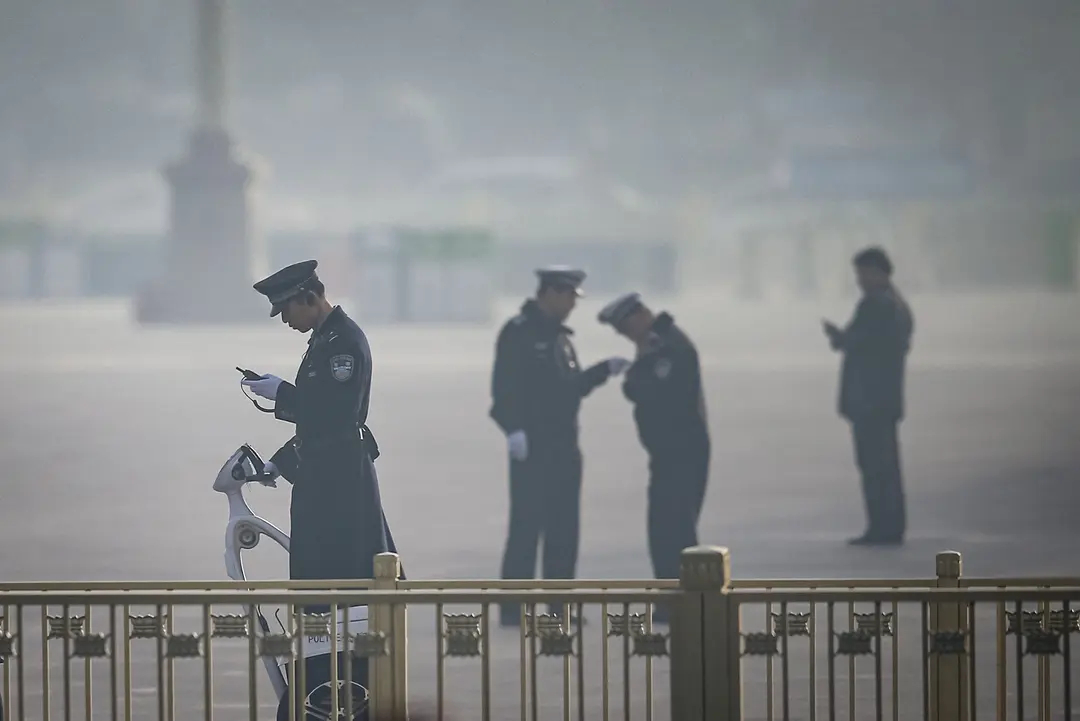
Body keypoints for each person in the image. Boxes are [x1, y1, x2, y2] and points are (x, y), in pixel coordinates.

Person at [240, 259, 400, 721]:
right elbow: (320, 428)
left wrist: (282, 394)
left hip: (341, 496)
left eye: (287, 309)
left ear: (309, 296)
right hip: (323, 485)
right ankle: (320, 685)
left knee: (343, 595)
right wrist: (279, 462)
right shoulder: (323, 341)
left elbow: (335, 418)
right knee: (317, 596)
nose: (286, 319)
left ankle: (341, 690)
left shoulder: (343, 342)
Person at [489, 266, 631, 626]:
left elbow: (568, 389)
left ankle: (559, 605)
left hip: (565, 447)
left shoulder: (560, 338)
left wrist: (601, 371)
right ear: (550, 292)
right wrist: (513, 429)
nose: (572, 304)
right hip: (532, 447)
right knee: (526, 528)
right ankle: (513, 607)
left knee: (564, 528)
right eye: (568, 296)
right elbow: (503, 388)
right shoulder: (518, 333)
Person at [599, 293, 710, 621]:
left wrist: (635, 372)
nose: (624, 335)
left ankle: (684, 603)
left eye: (624, 326)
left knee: (674, 530)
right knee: (664, 529)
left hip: (680, 451)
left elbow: (643, 388)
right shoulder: (656, 343)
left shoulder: (668, 347)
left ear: (641, 314)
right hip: (669, 452)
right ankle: (672, 600)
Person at [822, 246, 914, 546]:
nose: (859, 280)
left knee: (876, 468)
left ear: (877, 272)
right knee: (885, 467)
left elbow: (863, 343)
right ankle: (889, 524)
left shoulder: (878, 305)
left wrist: (840, 338)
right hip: (883, 399)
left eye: (862, 273)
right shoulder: (895, 304)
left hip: (871, 401)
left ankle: (882, 527)